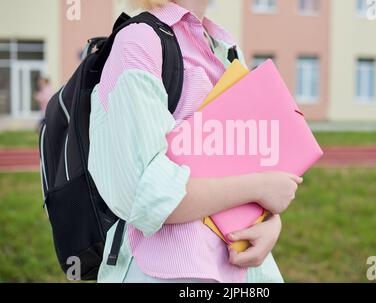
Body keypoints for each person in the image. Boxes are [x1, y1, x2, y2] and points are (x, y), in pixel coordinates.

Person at [88, 0, 302, 283]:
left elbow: (243, 163)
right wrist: (260, 187)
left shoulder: (226, 49)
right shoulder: (139, 41)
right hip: (167, 273)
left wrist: (270, 223)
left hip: (242, 272)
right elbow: (146, 193)